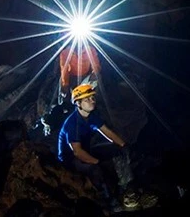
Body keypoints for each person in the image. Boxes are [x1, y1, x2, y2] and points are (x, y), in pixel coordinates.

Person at [57, 84, 156, 213]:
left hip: (86, 150)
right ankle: (109, 200)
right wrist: (97, 162)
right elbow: (77, 152)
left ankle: (126, 187)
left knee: (117, 150)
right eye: (87, 99)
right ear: (78, 103)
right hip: (69, 159)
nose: (92, 101)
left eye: (92, 98)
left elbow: (107, 132)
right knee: (95, 169)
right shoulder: (73, 123)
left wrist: (124, 146)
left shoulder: (91, 116)